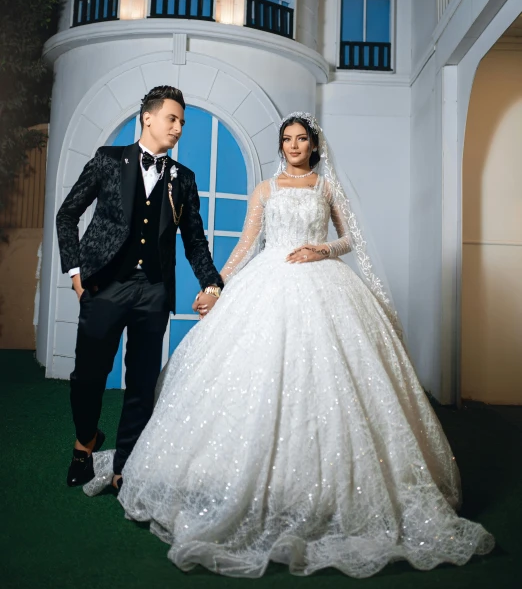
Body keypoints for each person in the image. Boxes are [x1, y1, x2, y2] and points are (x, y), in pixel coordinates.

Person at [86, 112, 494, 578]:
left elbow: (350, 240)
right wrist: (217, 285)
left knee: (333, 381)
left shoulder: (326, 188)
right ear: (281, 145)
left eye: (302, 139)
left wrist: (320, 249)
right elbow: (246, 243)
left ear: (314, 146)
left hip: (322, 282)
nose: (294, 145)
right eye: (287, 139)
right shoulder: (265, 188)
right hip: (268, 282)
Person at [56, 85, 223, 491]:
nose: (179, 127)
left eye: (183, 121)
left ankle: (123, 467)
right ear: (148, 117)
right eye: (172, 118)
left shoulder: (183, 179)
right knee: (87, 378)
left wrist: (211, 282)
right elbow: (67, 215)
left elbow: (194, 240)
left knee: (141, 383)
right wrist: (77, 277)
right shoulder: (108, 160)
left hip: (153, 292)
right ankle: (86, 441)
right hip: (104, 286)